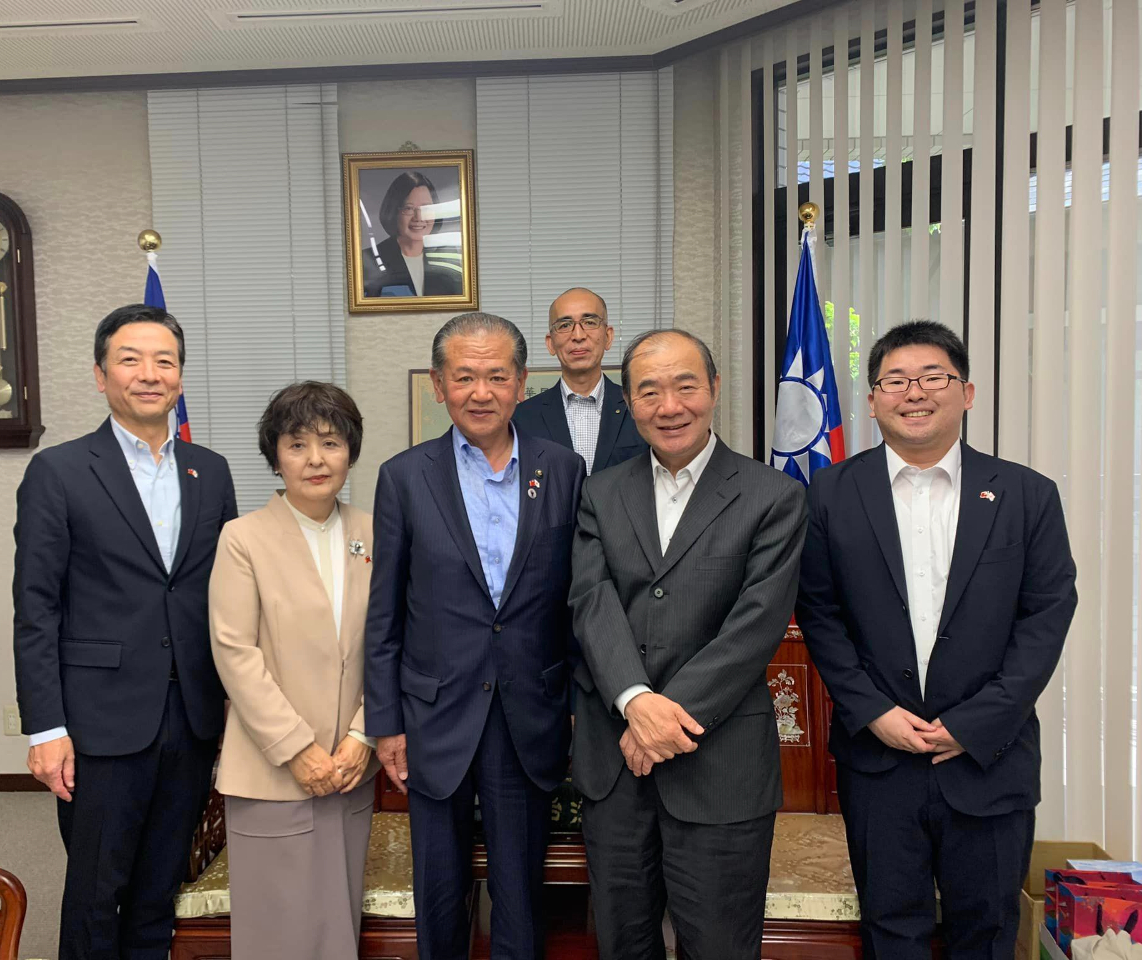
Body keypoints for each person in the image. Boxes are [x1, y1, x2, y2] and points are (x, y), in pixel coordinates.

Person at [795, 320, 1076, 960]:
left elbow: (1046, 616)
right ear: (873, 401)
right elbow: (819, 612)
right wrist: (872, 711)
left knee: (988, 932)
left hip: (988, 758)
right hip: (879, 758)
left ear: (967, 393)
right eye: (895, 380)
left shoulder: (1027, 495)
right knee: (890, 930)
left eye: (932, 377)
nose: (914, 392)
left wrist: (975, 723)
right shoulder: (830, 492)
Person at [569, 328, 806, 960]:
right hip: (616, 768)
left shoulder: (773, 495)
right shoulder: (599, 492)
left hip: (719, 764)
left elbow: (755, 624)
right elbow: (591, 601)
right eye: (649, 391)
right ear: (627, 402)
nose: (669, 406)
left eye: (685, 386)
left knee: (720, 946)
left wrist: (660, 719)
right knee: (623, 944)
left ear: (715, 389)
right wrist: (634, 700)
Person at [12, 304, 237, 960]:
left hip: (191, 717)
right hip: (99, 722)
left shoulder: (210, 470)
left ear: (180, 377)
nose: (149, 374)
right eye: (130, 360)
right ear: (100, 374)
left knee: (158, 893)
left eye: (164, 361)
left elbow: (223, 596)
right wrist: (46, 729)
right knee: (95, 894)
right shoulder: (59, 471)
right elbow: (36, 607)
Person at [364, 312, 585, 959]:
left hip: (530, 709)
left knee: (521, 892)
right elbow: (385, 612)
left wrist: (578, 703)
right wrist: (386, 722)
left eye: (496, 376)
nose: (480, 392)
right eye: (464, 377)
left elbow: (579, 599)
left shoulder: (563, 469)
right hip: (432, 714)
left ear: (521, 382)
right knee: (439, 889)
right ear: (440, 386)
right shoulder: (404, 476)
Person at [208, 381, 377, 960]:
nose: (315, 459)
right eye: (297, 444)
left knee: (337, 926)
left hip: (351, 766)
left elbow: (394, 643)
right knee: (276, 932)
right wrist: (297, 748)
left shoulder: (374, 532)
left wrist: (363, 735)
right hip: (272, 768)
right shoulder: (243, 538)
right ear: (275, 456)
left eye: (330, 443)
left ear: (350, 452)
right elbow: (235, 652)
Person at [511, 287, 648, 474]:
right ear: (550, 343)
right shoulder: (521, 418)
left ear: (608, 336)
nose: (578, 336)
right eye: (564, 325)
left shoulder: (639, 408)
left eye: (589, 322)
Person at [362, 171, 462, 299]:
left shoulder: (449, 259)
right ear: (393, 212)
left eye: (426, 208)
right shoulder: (367, 261)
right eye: (408, 208)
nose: (419, 217)